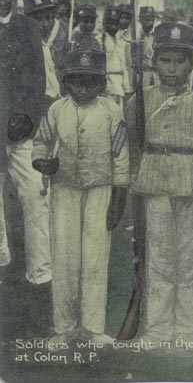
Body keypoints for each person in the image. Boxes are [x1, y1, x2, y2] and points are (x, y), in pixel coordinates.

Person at [125, 22, 193, 351]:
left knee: (190, 260)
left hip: (191, 188)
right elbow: (133, 149)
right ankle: (158, 329)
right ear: (154, 62)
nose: (172, 68)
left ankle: (192, 330)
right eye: (165, 60)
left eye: (179, 61)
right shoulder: (140, 100)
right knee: (159, 259)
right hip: (155, 186)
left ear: (191, 65)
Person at [32, 49, 130, 345]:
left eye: (91, 82)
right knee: (64, 257)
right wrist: (42, 162)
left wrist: (119, 195)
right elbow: (40, 143)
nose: (83, 88)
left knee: (95, 257)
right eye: (77, 81)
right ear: (66, 82)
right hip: (65, 190)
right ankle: (64, 327)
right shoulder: (57, 110)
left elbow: (121, 156)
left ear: (102, 84)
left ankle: (92, 327)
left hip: (100, 189)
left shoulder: (112, 111)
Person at [0, 0, 51, 287]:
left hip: (21, 132)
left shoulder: (27, 28)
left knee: (34, 193)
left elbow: (38, 81)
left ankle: (41, 272)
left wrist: (27, 116)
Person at [23, 0, 61, 111]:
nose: (45, 25)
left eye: (48, 18)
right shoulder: (24, 48)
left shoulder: (43, 45)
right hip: (36, 109)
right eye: (39, 19)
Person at [97, 5, 130, 105]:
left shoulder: (120, 39)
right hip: (108, 83)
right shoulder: (100, 40)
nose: (113, 27)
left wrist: (126, 85)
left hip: (120, 83)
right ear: (105, 22)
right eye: (110, 23)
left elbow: (123, 64)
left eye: (116, 23)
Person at [138, 6, 158, 86]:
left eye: (152, 20)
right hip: (142, 74)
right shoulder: (137, 36)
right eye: (147, 20)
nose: (151, 23)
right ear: (140, 20)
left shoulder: (154, 36)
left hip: (154, 75)